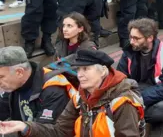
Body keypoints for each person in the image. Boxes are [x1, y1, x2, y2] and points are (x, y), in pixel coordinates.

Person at [0, 49, 145, 136]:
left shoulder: (122, 102)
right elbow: (60, 132)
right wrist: (25, 126)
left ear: (103, 71)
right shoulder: (80, 97)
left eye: (86, 69)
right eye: (79, 69)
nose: (80, 74)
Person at [117, 18, 163, 124]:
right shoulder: (129, 52)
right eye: (131, 37)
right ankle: (134, 115)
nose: (131, 41)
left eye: (136, 38)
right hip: (139, 88)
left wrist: (138, 98)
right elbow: (120, 77)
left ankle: (134, 117)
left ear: (150, 38)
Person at [0, 46, 74, 124]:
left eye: (1, 77)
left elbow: (45, 131)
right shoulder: (11, 86)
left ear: (19, 72)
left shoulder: (53, 90)